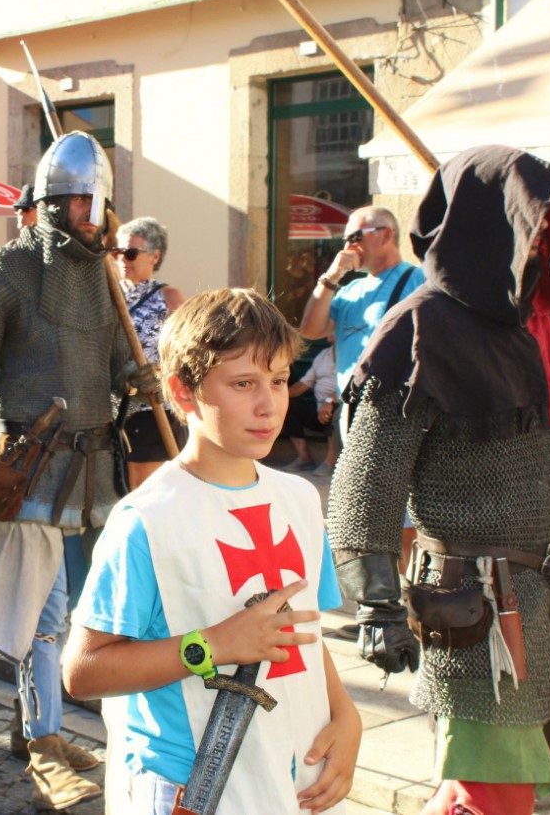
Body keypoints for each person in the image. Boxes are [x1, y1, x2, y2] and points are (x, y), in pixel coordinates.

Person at [327, 145, 550, 815]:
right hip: (471, 603)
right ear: (490, 230)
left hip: (543, 595)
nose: (544, 243)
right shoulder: (419, 331)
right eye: (534, 226)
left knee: (507, 789)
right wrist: (375, 604)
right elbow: (365, 483)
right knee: (487, 794)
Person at [0, 130, 156, 811]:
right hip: (31, 471)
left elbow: (113, 361)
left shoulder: (101, 278)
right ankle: (46, 744)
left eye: (98, 203)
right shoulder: (3, 274)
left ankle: (30, 721)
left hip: (97, 476)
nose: (93, 215)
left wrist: (137, 377)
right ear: (55, 203)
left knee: (94, 611)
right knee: (44, 616)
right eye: (82, 202)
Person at [65, 288, 360, 814]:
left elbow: (303, 634)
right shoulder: (147, 521)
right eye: (243, 384)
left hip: (290, 776)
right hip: (188, 783)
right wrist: (211, 646)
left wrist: (346, 715)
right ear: (183, 392)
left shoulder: (297, 499)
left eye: (277, 380)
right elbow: (84, 669)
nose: (268, 405)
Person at [297, 205, 423, 437]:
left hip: (394, 411)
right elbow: (311, 330)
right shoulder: (351, 289)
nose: (348, 247)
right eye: (345, 239)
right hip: (350, 409)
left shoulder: (418, 280)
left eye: (356, 237)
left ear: (386, 234)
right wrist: (330, 279)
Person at [112, 216, 186, 489]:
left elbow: (188, 354)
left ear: (154, 257)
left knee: (147, 492)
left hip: (152, 409)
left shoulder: (169, 297)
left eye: (131, 253)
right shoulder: (108, 295)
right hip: (111, 411)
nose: (122, 259)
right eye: (117, 252)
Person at [281, 337, 339, 477]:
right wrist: (278, 397)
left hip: (341, 408)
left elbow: (352, 388)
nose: (329, 332)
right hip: (319, 409)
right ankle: (304, 458)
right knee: (289, 406)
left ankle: (330, 463)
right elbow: (303, 385)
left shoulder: (354, 355)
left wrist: (329, 401)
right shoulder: (323, 355)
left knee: (338, 412)